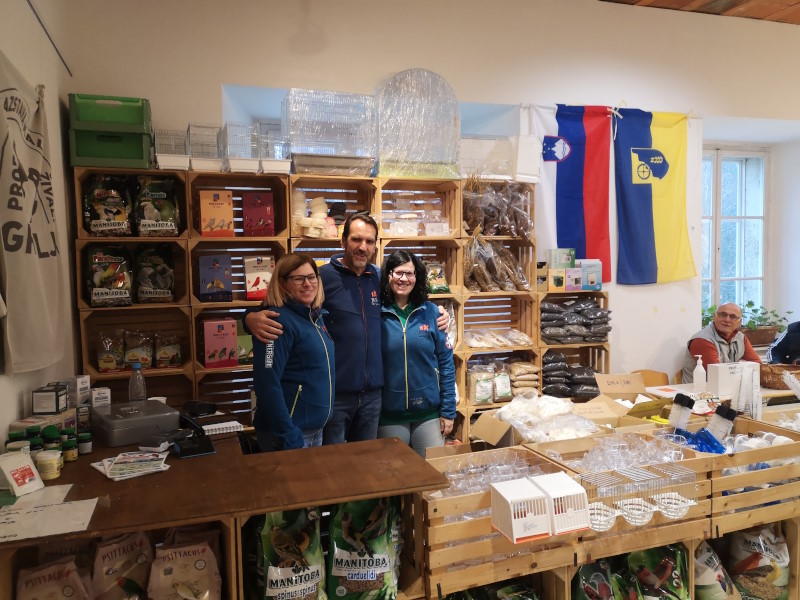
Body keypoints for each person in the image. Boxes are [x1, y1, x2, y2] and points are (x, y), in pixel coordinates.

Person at [244, 212, 449, 445]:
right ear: (343, 241)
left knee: (366, 462)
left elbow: (408, 300)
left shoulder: (379, 278)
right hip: (335, 397)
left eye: (369, 241)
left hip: (373, 398)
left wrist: (438, 311)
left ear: (375, 246)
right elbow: (274, 305)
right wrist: (248, 318)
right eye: (356, 239)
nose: (363, 247)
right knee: (336, 464)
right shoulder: (321, 277)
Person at [250, 254, 334, 451]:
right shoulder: (275, 322)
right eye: (298, 279)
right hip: (289, 434)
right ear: (282, 283)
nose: (308, 284)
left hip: (313, 430)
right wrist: (287, 432)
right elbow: (267, 383)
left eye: (312, 277)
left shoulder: (315, 317)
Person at [377, 251, 456, 457]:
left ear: (417, 277)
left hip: (428, 414)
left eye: (409, 273)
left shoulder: (432, 313)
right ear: (388, 275)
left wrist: (448, 411)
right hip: (389, 415)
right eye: (398, 272)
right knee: (393, 473)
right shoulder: (377, 313)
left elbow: (446, 363)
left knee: (431, 471)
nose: (404, 279)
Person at [682, 302, 761, 383]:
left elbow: (758, 367)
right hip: (700, 390)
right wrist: (742, 366)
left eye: (733, 317)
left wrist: (737, 369)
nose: (727, 320)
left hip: (730, 387)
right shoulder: (701, 340)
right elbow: (718, 375)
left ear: (739, 322)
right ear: (714, 316)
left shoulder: (741, 338)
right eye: (722, 315)